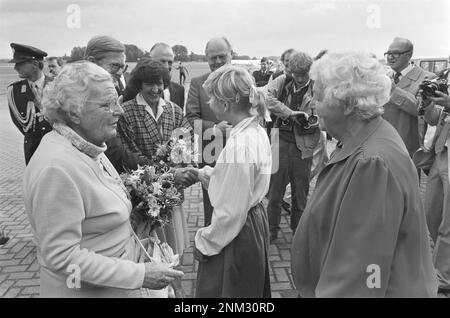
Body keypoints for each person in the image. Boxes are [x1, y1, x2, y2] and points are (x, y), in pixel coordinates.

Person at [23, 61, 184, 297]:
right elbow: (62, 256)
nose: (119, 111)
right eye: (108, 105)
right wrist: (139, 275)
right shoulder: (56, 168)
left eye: (117, 101)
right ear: (74, 111)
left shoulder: (89, 146)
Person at [291, 51, 437, 297]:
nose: (311, 103)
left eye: (316, 96)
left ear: (347, 104)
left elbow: (361, 275)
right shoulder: (365, 137)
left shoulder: (372, 163)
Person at [194, 64, 272, 297]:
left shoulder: (239, 146)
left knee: (230, 292)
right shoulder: (255, 130)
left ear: (225, 104)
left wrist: (205, 243)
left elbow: (230, 212)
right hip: (253, 220)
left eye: (211, 100)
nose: (209, 104)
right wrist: (204, 174)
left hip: (238, 233)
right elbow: (242, 184)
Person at [118, 58, 194, 256]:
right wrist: (167, 173)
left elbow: (186, 142)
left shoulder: (174, 110)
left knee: (174, 249)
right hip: (145, 198)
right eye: (149, 83)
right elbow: (130, 157)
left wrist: (182, 164)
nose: (155, 89)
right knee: (150, 250)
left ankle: (175, 284)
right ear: (138, 85)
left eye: (159, 83)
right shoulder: (126, 112)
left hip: (171, 195)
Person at [265, 52, 320, 242]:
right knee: (275, 190)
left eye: (303, 74)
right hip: (280, 139)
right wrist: (289, 113)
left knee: (300, 191)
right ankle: (271, 230)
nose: (299, 78)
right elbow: (267, 98)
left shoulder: (318, 86)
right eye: (296, 74)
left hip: (304, 144)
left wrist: (314, 120)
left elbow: (325, 108)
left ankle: (299, 231)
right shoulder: (282, 80)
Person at [185, 37, 233, 226]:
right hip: (211, 154)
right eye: (213, 57)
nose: (218, 61)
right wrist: (214, 129)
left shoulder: (244, 80)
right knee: (213, 206)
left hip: (240, 153)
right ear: (206, 58)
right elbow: (189, 119)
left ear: (231, 54)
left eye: (222, 56)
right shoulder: (198, 83)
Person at [84, 35, 150, 173]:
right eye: (114, 66)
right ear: (91, 63)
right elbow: (115, 152)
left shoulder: (101, 92)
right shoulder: (82, 100)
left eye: (123, 67)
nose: (120, 73)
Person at [382, 37, 435, 158]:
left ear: (409, 55)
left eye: (395, 53)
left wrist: (393, 90)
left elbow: (422, 111)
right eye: (388, 53)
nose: (390, 57)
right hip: (382, 144)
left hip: (407, 151)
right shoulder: (385, 77)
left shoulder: (427, 78)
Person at [422, 90, 450, 294]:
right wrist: (428, 104)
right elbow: (433, 120)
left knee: (447, 223)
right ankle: (435, 264)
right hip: (442, 152)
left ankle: (442, 276)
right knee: (431, 213)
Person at [7, 43, 53, 164]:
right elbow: (19, 123)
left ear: (35, 65)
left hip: (61, 148)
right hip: (34, 151)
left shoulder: (59, 85)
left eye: (20, 63)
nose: (15, 67)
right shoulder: (14, 91)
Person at [149, 43, 185, 109]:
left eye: (170, 62)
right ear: (150, 61)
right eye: (162, 61)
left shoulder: (179, 90)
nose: (166, 66)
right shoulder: (138, 90)